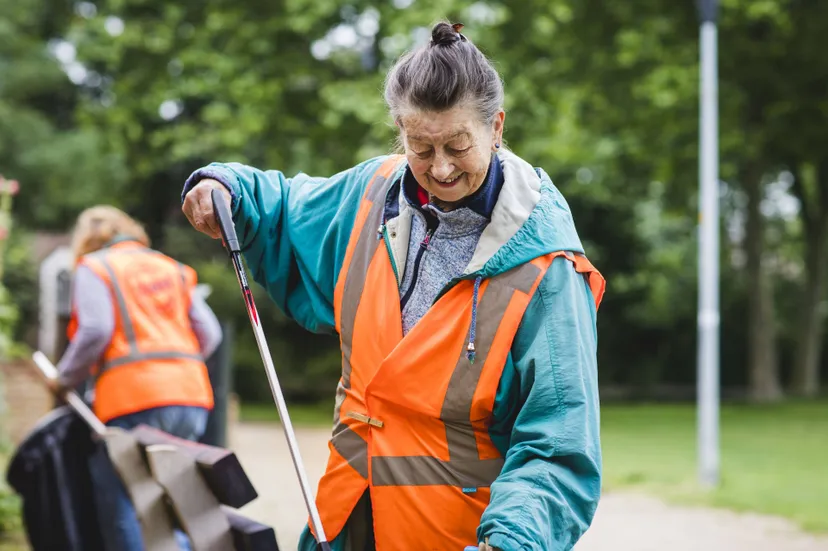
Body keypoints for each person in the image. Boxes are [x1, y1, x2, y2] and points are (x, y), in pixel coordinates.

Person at [182, 21, 605, 551]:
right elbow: (287, 206)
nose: (441, 168)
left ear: (496, 127)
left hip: (460, 537)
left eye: (457, 145)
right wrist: (227, 185)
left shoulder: (549, 269)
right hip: (346, 517)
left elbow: (558, 446)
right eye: (420, 147)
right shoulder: (372, 190)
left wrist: (514, 540)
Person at [53, 205, 223, 551]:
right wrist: (177, 368)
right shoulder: (170, 267)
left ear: (86, 240)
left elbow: (96, 330)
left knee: (124, 500)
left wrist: (63, 378)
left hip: (131, 398)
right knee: (177, 500)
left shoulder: (95, 267)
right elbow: (210, 332)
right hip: (191, 397)